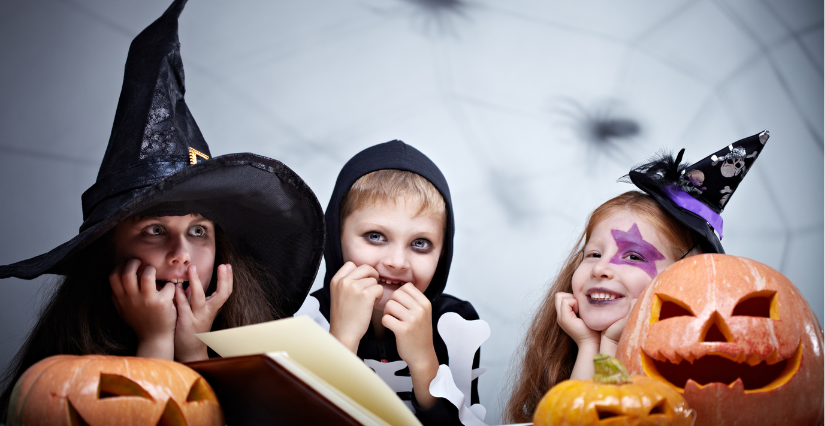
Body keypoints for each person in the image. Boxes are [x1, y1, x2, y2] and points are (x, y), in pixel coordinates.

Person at [0, 0, 324, 419]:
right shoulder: (64, 371)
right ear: (108, 249)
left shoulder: (264, 352)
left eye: (198, 231)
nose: (181, 254)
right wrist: (155, 341)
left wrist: (193, 347)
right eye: (154, 230)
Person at [504, 131, 769, 423]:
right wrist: (592, 345)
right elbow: (578, 417)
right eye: (593, 254)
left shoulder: (697, 374)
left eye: (633, 256)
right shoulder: (572, 356)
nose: (599, 268)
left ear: (687, 277)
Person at [296, 141, 488, 426]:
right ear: (336, 237)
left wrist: (424, 360)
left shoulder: (457, 324)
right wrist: (342, 341)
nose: (397, 262)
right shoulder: (301, 319)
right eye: (375, 236)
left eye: (420, 243)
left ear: (443, 253)